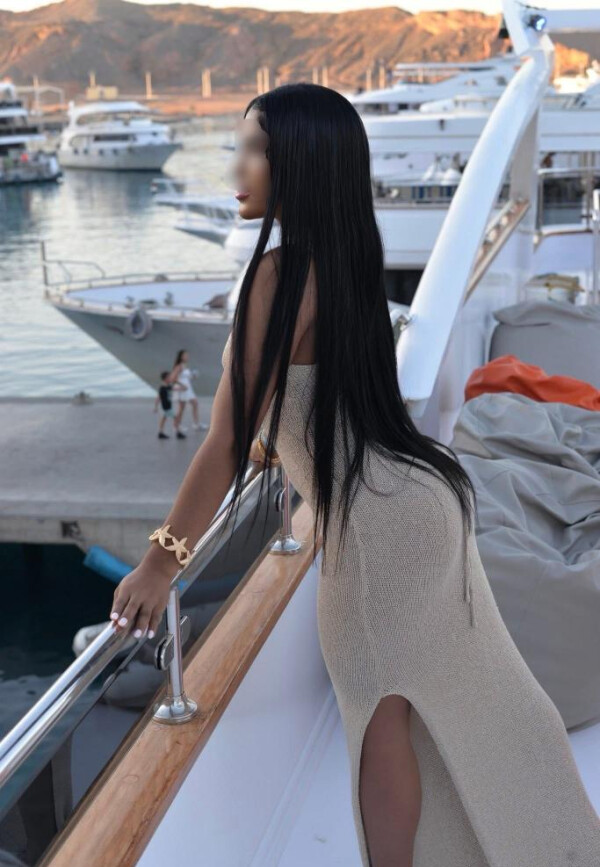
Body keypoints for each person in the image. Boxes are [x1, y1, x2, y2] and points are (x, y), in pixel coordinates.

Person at [107, 83, 600, 866]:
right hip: (419, 497)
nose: (238, 167)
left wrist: (160, 562)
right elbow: (315, 405)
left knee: (378, 716)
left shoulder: (277, 275)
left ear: (301, 163)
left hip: (376, 528)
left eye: (257, 149)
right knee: (468, 700)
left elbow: (229, 437)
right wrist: (278, 444)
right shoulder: (347, 255)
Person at [170, 350, 206, 433]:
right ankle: (176, 426)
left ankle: (196, 423)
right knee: (182, 408)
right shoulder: (179, 366)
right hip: (183, 389)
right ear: (181, 357)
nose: (187, 357)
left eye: (187, 355)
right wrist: (182, 385)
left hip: (188, 388)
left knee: (194, 404)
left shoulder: (185, 366)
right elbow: (173, 378)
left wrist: (193, 376)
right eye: (185, 355)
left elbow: (185, 377)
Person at [153, 371, 186, 440]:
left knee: (164, 419)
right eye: (169, 377)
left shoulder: (168, 387)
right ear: (165, 378)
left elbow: (182, 388)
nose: (170, 378)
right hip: (165, 407)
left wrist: (178, 383)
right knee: (175, 418)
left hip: (168, 406)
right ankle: (178, 432)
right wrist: (155, 407)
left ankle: (161, 432)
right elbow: (158, 397)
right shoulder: (162, 388)